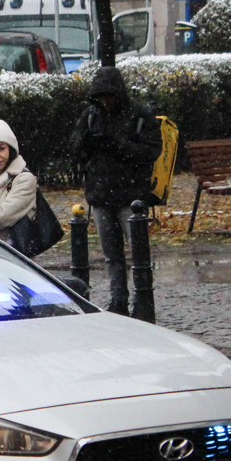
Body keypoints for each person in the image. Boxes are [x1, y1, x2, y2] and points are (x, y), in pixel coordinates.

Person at [69, 66, 161, 315]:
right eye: (101, 97)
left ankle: (142, 299)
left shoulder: (139, 115)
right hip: (101, 195)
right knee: (112, 255)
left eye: (109, 96)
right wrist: (87, 142)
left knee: (137, 252)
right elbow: (75, 148)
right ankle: (118, 299)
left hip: (129, 196)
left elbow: (151, 152)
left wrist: (118, 146)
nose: (106, 102)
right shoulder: (91, 115)